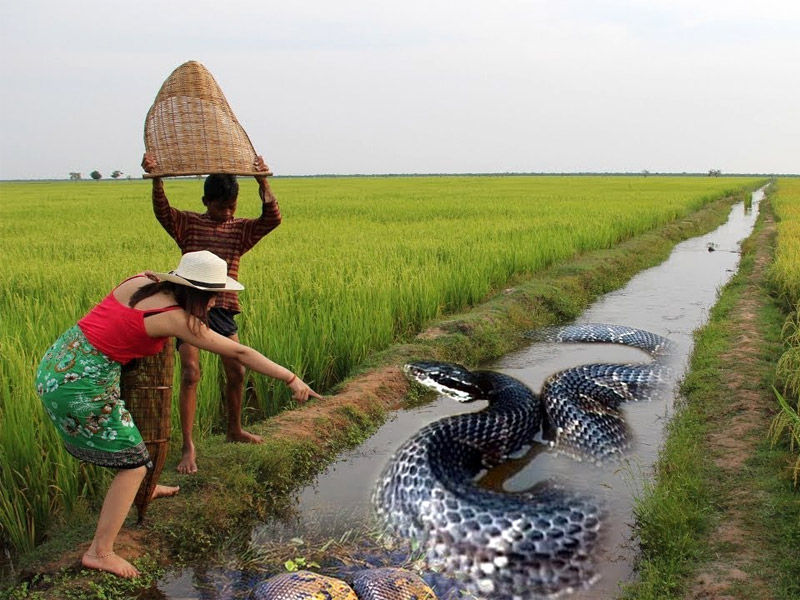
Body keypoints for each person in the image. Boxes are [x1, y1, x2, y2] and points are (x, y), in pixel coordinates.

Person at [36, 250, 321, 578]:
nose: (215, 304)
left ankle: (145, 488)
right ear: (198, 294)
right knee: (132, 462)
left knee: (132, 447)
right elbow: (239, 351)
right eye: (213, 298)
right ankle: (100, 551)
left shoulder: (141, 281)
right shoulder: (177, 319)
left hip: (59, 362)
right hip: (80, 385)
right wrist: (290, 377)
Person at [142, 152, 280, 474]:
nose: (227, 213)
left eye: (232, 206)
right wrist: (157, 178)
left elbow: (272, 219)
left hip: (223, 307)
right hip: (190, 305)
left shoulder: (239, 230)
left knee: (237, 372)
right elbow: (163, 212)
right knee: (191, 373)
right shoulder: (188, 224)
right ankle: (188, 445)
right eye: (221, 207)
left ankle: (235, 429)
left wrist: (262, 181)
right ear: (206, 201)